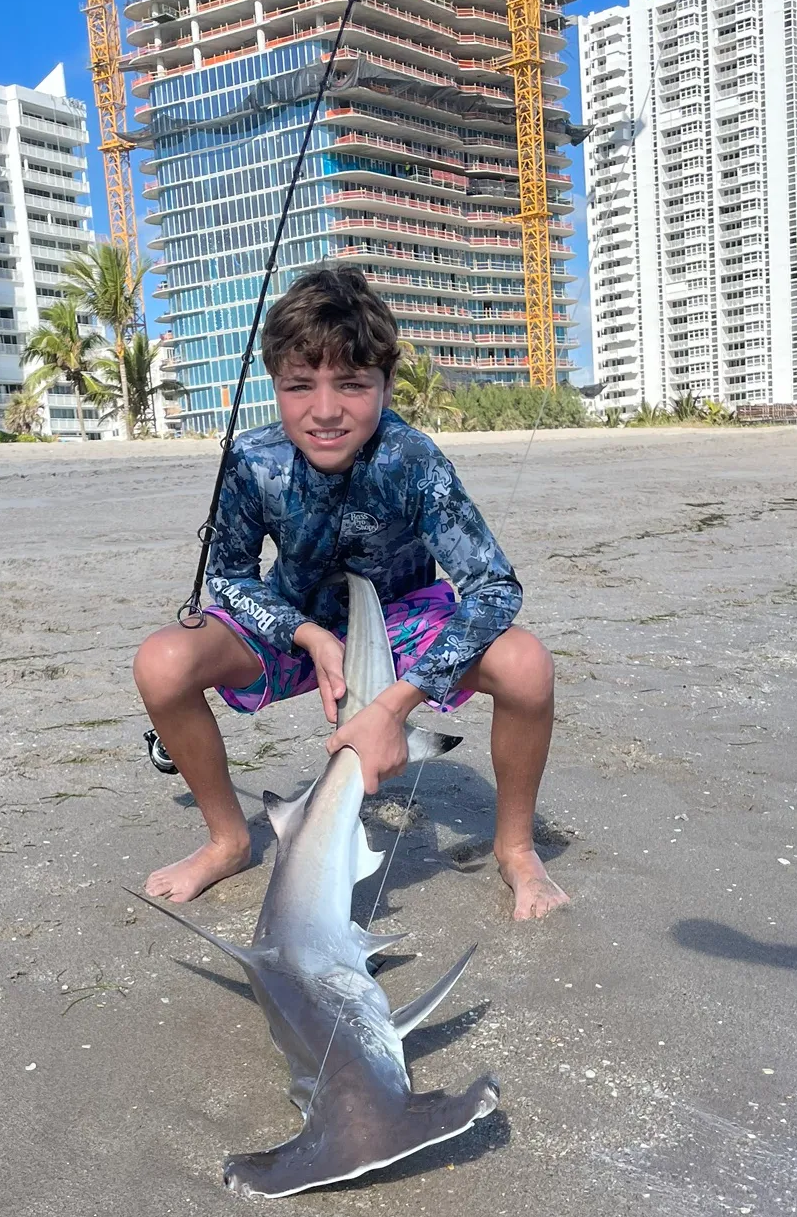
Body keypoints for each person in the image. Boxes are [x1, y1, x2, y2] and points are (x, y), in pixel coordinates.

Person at [132, 266, 567, 921]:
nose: (326, 409)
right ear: (275, 384)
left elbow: (494, 589)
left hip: (405, 621)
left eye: (354, 384)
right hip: (294, 621)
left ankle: (515, 847)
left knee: (528, 664)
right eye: (300, 385)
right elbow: (229, 578)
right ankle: (226, 841)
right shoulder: (253, 461)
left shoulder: (411, 461)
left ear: (386, 384)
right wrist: (306, 635)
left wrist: (396, 704)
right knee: (161, 662)